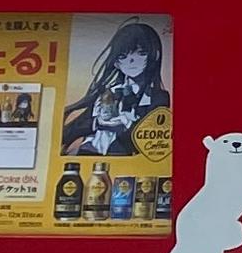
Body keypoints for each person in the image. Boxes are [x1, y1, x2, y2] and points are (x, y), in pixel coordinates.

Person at [63, 19, 169, 158]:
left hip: (125, 162)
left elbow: (155, 143)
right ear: (116, 63)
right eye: (123, 56)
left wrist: (125, 125)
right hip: (89, 154)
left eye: (141, 53)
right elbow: (70, 131)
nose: (131, 61)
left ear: (152, 56)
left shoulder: (157, 97)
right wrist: (97, 123)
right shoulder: (107, 92)